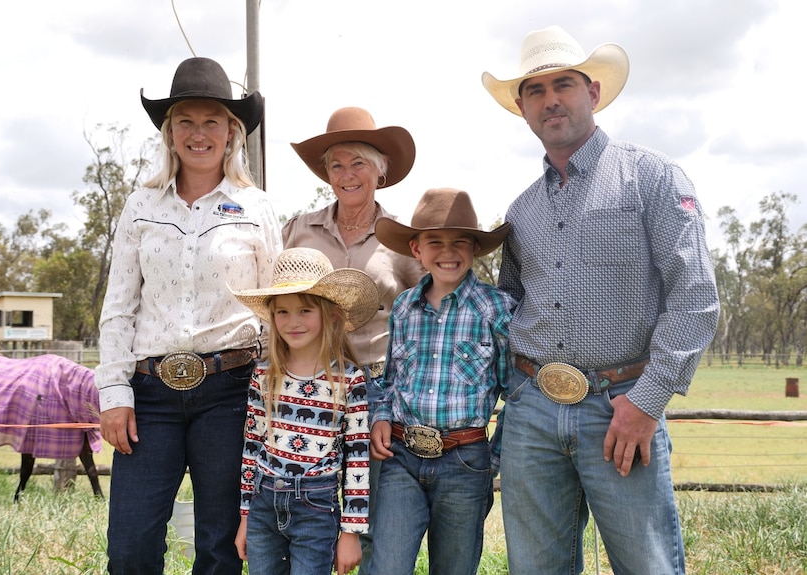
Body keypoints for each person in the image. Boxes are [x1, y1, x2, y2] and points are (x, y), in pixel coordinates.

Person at [481, 26, 720, 574]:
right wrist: (513, 396)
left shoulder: (652, 178)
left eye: (562, 85)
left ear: (592, 92)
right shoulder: (521, 211)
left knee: (647, 564)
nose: (551, 100)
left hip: (621, 406)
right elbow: (510, 305)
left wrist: (648, 401)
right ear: (521, 108)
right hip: (533, 410)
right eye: (535, 91)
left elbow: (696, 297)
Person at [95, 56, 282, 575]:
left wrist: (271, 394)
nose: (199, 133)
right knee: (130, 546)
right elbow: (119, 308)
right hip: (149, 393)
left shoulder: (257, 207)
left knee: (220, 546)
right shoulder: (140, 206)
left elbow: (274, 309)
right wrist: (113, 395)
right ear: (170, 133)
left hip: (231, 390)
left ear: (231, 133)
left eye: (212, 122)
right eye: (186, 122)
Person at [283, 106, 426, 574]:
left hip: (378, 389)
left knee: (370, 522)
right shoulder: (298, 231)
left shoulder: (402, 239)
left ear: (380, 172)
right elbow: (276, 306)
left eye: (358, 163)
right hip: (310, 390)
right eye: (337, 164)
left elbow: (424, 312)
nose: (347, 174)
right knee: (309, 513)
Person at [368, 188, 516, 575]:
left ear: (475, 249)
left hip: (464, 461)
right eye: (435, 241)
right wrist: (381, 415)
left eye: (459, 242)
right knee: (388, 566)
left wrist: (492, 457)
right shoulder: (404, 307)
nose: (447, 252)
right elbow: (391, 377)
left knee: (453, 567)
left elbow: (514, 389)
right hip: (402, 454)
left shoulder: (496, 309)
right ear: (416, 249)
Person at [230, 247, 380, 575]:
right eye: (282, 312)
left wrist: (351, 532)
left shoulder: (348, 378)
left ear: (330, 315)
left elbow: (357, 456)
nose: (292, 321)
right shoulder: (265, 373)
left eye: (305, 310)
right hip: (263, 502)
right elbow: (252, 446)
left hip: (316, 505)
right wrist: (245, 516)